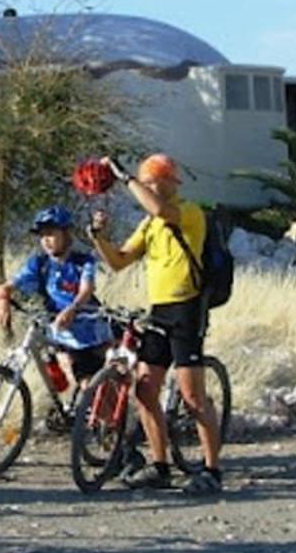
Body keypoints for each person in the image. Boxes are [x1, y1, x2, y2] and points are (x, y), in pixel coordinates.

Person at [88, 153, 224, 494]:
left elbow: (162, 210)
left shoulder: (188, 213)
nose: (147, 187)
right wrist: (98, 238)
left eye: (152, 181)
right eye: (145, 181)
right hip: (159, 311)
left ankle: (212, 470)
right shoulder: (148, 225)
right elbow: (119, 261)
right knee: (146, 390)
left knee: (193, 397)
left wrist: (125, 178)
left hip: (187, 310)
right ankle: (160, 465)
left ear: (169, 183)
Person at [0, 205, 112, 394]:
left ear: (66, 233)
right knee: (61, 371)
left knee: (90, 389)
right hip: (60, 334)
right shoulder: (39, 264)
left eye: (51, 234)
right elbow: (8, 285)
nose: (45, 241)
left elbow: (86, 289)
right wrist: (3, 300)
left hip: (90, 335)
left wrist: (72, 309)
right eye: (42, 235)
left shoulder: (83, 262)